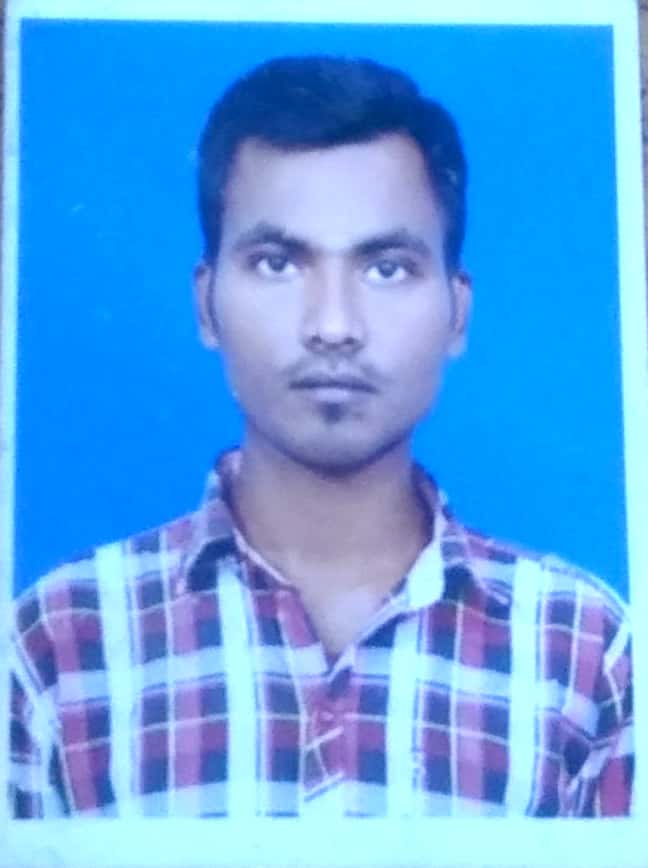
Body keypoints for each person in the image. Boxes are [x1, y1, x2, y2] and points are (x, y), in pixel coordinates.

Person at [9, 55, 633, 818]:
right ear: (206, 306)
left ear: (457, 313)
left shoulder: (585, 651)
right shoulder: (56, 645)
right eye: (277, 263)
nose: (333, 326)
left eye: (387, 268)